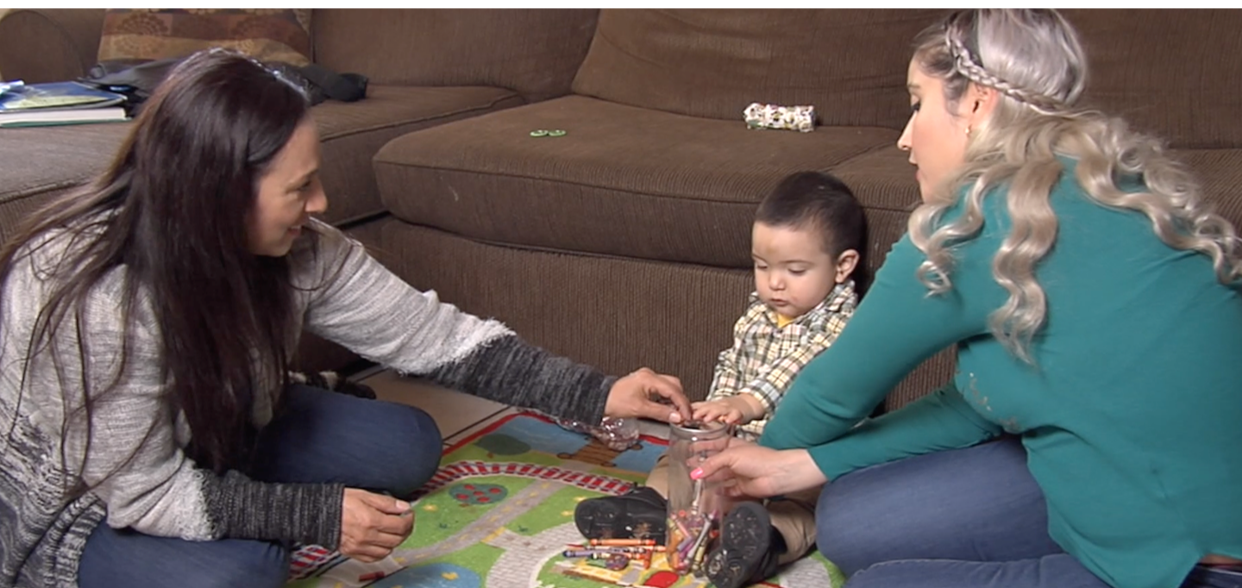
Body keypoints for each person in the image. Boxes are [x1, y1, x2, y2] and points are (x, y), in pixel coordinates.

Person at [0, 49, 691, 588]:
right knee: (245, 573)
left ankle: (249, 467)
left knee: (406, 446)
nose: (324, 202)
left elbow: (438, 340)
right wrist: (315, 514)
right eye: (300, 187)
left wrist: (599, 393)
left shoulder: (301, 249)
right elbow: (141, 490)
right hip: (85, 501)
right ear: (217, 192)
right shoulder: (98, 299)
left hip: (221, 427)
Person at [692, 8, 1242, 588]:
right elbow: (981, 402)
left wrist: (740, 485)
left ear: (976, 103)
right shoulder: (1106, 183)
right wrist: (799, 467)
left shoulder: (967, 228)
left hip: (1193, 562)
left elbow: (832, 394)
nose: (904, 139)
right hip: (1106, 482)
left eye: (916, 104)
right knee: (854, 522)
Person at [575, 171, 866, 588]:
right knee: (676, 463)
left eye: (795, 270)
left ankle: (762, 544)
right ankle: (650, 508)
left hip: (798, 457)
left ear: (842, 266)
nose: (775, 282)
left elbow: (802, 365)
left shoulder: (844, 324)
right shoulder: (759, 313)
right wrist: (712, 416)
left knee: (808, 505)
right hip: (737, 443)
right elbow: (732, 361)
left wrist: (746, 403)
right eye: (762, 266)